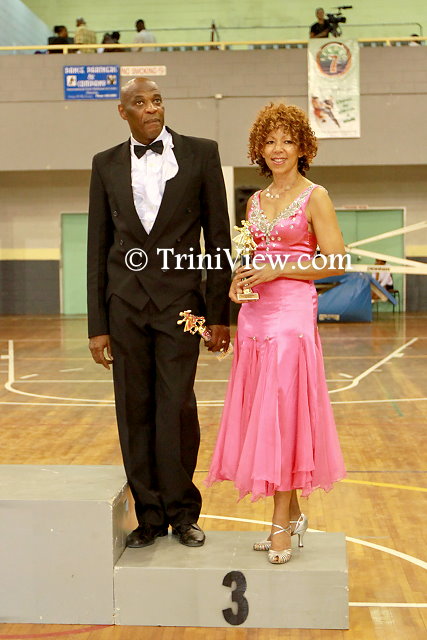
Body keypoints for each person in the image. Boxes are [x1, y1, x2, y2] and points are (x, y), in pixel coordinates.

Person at [87, 77, 231, 549]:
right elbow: (97, 247)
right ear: (123, 112)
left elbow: (219, 238)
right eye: (140, 102)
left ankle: (183, 512)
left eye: (157, 100)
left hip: (181, 307)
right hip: (124, 307)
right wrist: (98, 326)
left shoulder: (202, 154)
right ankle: (148, 516)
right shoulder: (104, 164)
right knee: (134, 411)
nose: (151, 108)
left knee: (177, 407)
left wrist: (220, 314)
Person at [206, 103, 346, 564]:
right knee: (265, 415)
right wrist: (238, 281)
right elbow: (254, 260)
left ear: (303, 147)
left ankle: (280, 523)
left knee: (283, 413)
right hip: (256, 315)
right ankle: (294, 515)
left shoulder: (315, 196)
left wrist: (280, 268)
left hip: (292, 316)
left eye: (287, 140)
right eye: (270, 141)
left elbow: (336, 261)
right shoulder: (255, 201)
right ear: (259, 150)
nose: (278, 149)